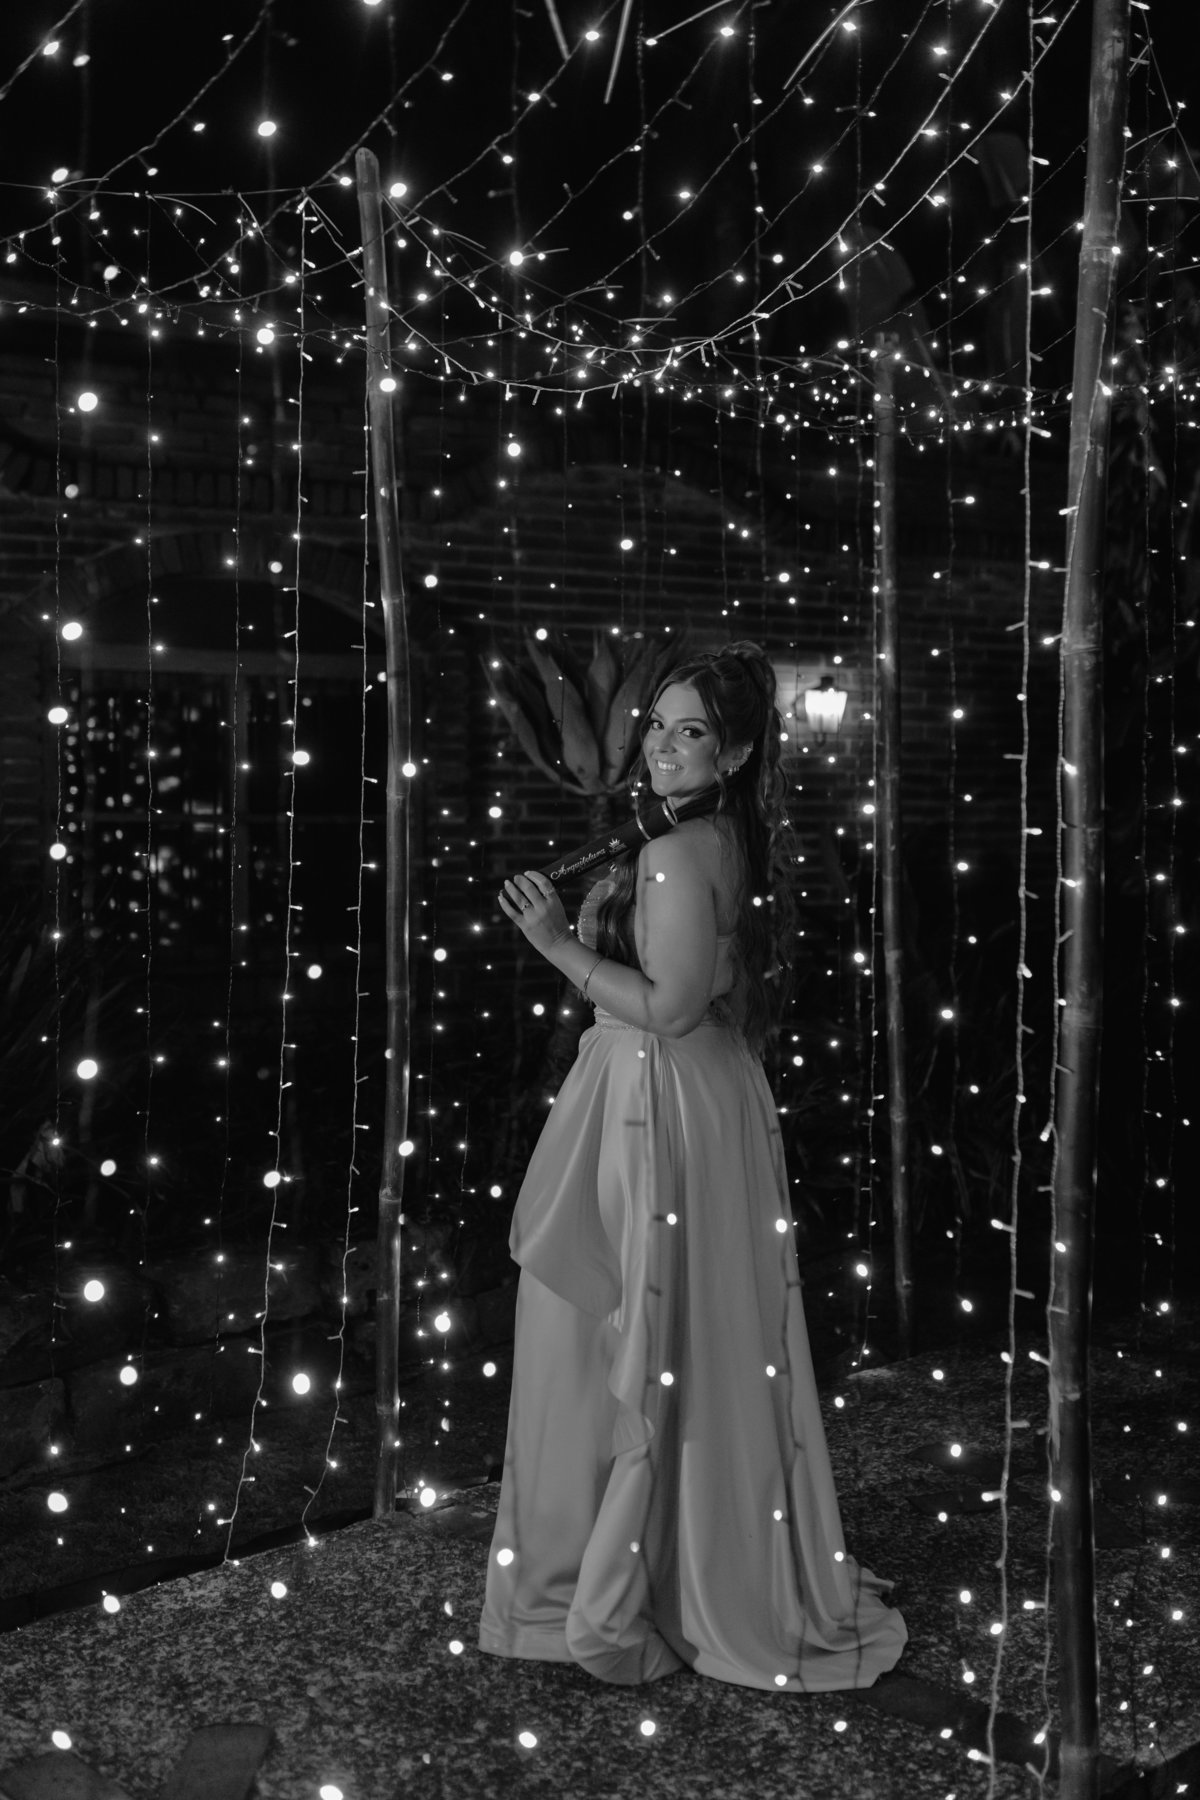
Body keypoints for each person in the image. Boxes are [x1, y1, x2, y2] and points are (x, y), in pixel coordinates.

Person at [477, 640, 907, 1691]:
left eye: (693, 732)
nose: (664, 749)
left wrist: (555, 943)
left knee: (607, 1330)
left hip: (654, 1097)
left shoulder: (675, 853)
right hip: (702, 1094)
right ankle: (678, 1548)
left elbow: (668, 1009)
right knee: (680, 1332)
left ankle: (611, 1570)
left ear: (739, 750)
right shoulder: (726, 837)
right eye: (658, 728)